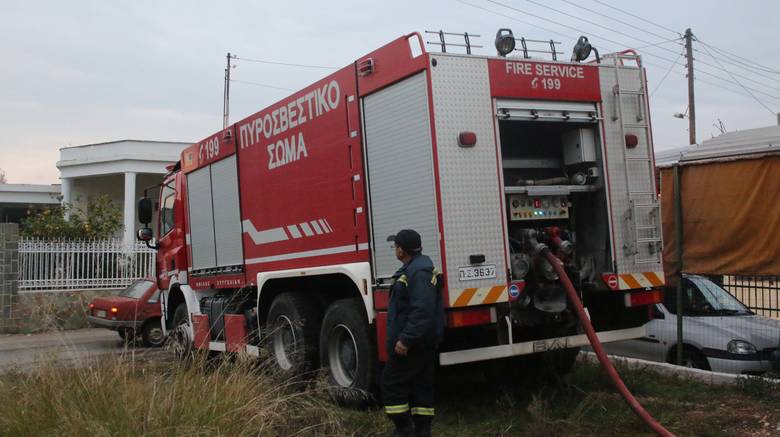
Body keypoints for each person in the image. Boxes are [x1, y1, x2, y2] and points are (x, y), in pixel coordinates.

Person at [382, 229, 445, 437]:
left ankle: (404, 429)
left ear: (402, 250)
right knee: (421, 386)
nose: (395, 250)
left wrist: (406, 339)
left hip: (414, 344)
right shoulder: (417, 268)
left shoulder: (417, 272)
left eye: (396, 246)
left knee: (391, 383)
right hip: (422, 342)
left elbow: (422, 310)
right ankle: (422, 431)